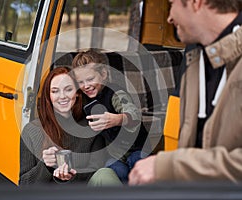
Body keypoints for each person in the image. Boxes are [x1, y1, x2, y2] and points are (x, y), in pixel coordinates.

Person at [129, 0, 242, 185]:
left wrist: (168, 167)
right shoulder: (194, 62)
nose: (169, 17)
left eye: (172, 4)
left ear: (196, 3)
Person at [19, 67, 122, 186]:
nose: (62, 96)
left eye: (68, 89)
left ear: (77, 93)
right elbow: (24, 183)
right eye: (55, 91)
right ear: (48, 96)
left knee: (105, 174)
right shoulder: (32, 130)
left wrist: (72, 175)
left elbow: (96, 169)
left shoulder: (90, 125)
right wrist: (46, 167)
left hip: (80, 193)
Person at [72, 49, 148, 183]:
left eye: (90, 79)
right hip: (115, 155)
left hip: (137, 148)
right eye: (81, 82)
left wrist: (118, 119)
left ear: (103, 74)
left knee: (139, 163)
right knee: (114, 171)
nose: (86, 86)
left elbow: (133, 114)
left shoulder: (116, 94)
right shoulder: (84, 99)